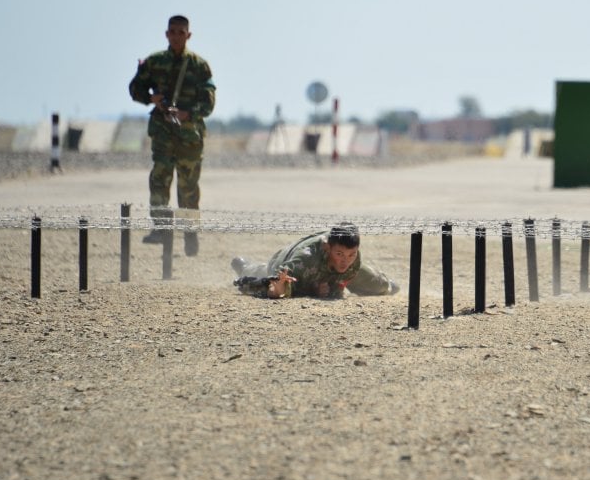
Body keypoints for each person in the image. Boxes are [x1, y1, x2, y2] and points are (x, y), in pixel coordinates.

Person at [128, 15, 216, 256]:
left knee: (188, 187)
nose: (176, 36)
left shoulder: (199, 66)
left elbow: (209, 102)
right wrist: (150, 98)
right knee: (160, 179)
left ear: (188, 35)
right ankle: (161, 228)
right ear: (166, 34)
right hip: (163, 132)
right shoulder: (154, 62)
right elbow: (135, 88)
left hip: (189, 136)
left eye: (181, 32)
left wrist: (189, 113)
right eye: (173, 31)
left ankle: (190, 233)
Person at [233, 223, 400, 299]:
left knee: (382, 286)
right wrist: (311, 290)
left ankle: (387, 284)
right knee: (267, 274)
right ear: (327, 248)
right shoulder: (304, 260)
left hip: (330, 275)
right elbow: (278, 285)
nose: (345, 261)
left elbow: (346, 274)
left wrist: (333, 289)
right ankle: (245, 266)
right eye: (340, 254)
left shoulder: (352, 262)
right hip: (284, 261)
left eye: (352, 254)